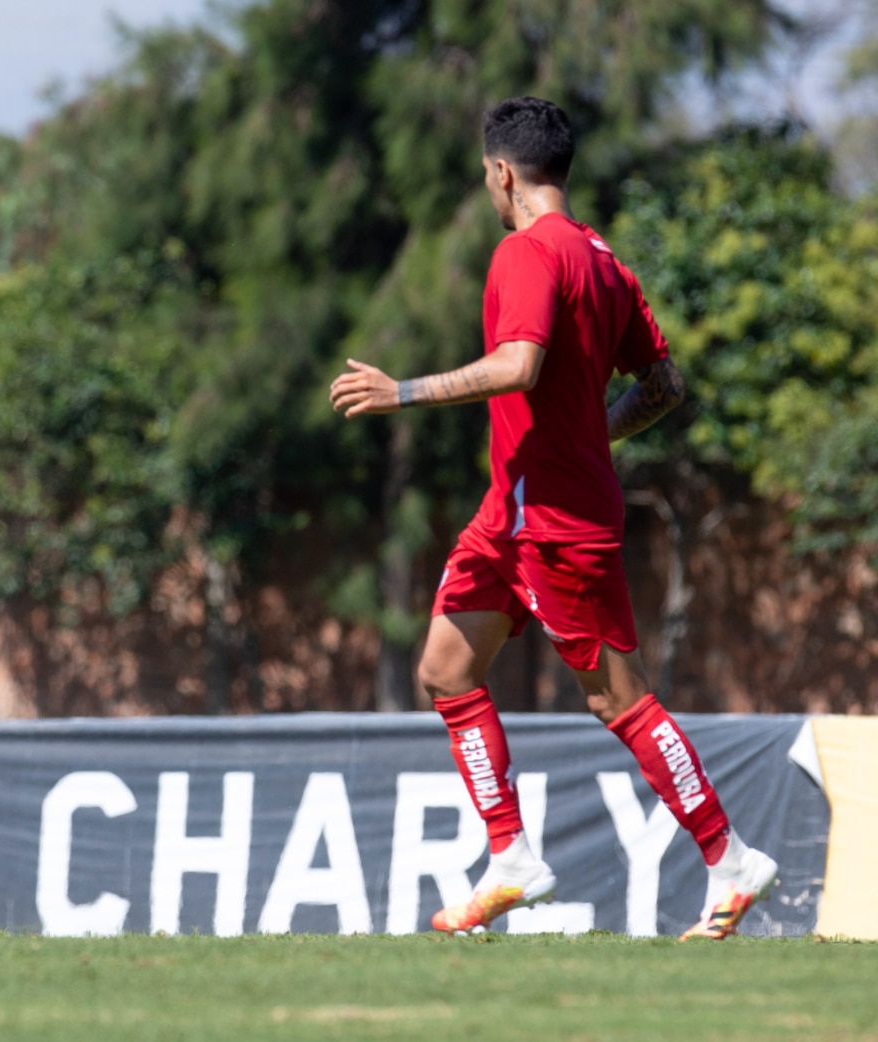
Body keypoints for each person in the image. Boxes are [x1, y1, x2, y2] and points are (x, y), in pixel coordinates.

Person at [329, 97, 777, 941]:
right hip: (514, 510)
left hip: (559, 523)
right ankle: (512, 858)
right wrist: (590, 434)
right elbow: (665, 387)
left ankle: (730, 858)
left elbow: (519, 364)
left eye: (487, 177)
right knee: (445, 667)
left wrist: (405, 392)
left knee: (620, 701)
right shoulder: (607, 263)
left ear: (503, 173)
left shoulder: (527, 253)